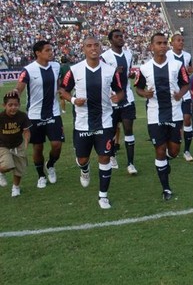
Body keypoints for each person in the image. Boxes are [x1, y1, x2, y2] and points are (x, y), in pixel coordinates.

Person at [60, 35, 124, 209]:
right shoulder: (74, 70)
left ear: (100, 48)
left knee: (104, 157)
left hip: (104, 122)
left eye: (96, 45)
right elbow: (63, 90)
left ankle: (103, 196)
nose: (93, 48)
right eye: (89, 45)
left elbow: (121, 91)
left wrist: (117, 97)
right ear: (84, 49)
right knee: (82, 159)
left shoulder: (110, 71)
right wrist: (73, 100)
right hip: (82, 123)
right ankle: (85, 169)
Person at [136, 32, 190, 201]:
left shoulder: (177, 65)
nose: (163, 46)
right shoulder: (144, 68)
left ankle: (164, 162)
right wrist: (145, 93)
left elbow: (186, 83)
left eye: (165, 43)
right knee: (159, 150)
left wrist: (180, 94)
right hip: (154, 115)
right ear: (152, 47)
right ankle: (166, 188)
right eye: (159, 43)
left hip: (174, 113)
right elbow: (137, 87)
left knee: (173, 151)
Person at [9, 40, 64, 189]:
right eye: (47, 50)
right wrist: (15, 92)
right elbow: (19, 88)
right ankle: (41, 175)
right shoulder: (28, 70)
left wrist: (63, 92)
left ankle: (50, 165)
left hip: (53, 112)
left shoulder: (56, 66)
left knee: (57, 145)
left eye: (51, 49)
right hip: (34, 115)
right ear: (38, 53)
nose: (51, 52)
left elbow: (59, 85)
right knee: (38, 148)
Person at [101, 29, 138, 174]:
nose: (120, 39)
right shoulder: (104, 56)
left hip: (127, 97)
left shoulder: (128, 54)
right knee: (110, 131)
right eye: (117, 37)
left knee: (128, 130)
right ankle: (111, 156)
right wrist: (114, 71)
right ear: (110, 40)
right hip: (111, 100)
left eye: (121, 36)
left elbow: (127, 73)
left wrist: (130, 74)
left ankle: (130, 164)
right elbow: (102, 76)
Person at [167, 33, 193, 162]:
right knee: (174, 123)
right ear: (172, 43)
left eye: (182, 40)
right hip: (172, 94)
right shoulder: (167, 56)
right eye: (178, 40)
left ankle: (187, 150)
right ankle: (171, 146)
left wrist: (190, 69)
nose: (181, 42)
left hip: (185, 92)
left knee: (187, 119)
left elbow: (189, 70)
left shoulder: (187, 56)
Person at [0, 93, 31, 197]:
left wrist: (26, 143)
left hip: (18, 144)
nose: (13, 107)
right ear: (4, 106)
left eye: (16, 105)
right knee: (7, 166)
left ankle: (16, 187)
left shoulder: (22, 116)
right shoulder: (1, 117)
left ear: (19, 105)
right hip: (3, 145)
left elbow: (26, 131)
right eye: (10, 105)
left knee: (19, 169)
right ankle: (1, 172)